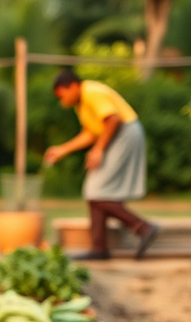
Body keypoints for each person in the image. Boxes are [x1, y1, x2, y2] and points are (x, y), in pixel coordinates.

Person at [43, 70, 159, 260]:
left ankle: (143, 227)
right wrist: (63, 149)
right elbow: (91, 133)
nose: (62, 101)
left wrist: (98, 149)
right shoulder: (81, 104)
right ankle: (99, 248)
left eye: (62, 95)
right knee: (93, 190)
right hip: (114, 137)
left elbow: (113, 119)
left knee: (97, 191)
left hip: (124, 134)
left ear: (73, 86)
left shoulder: (91, 92)